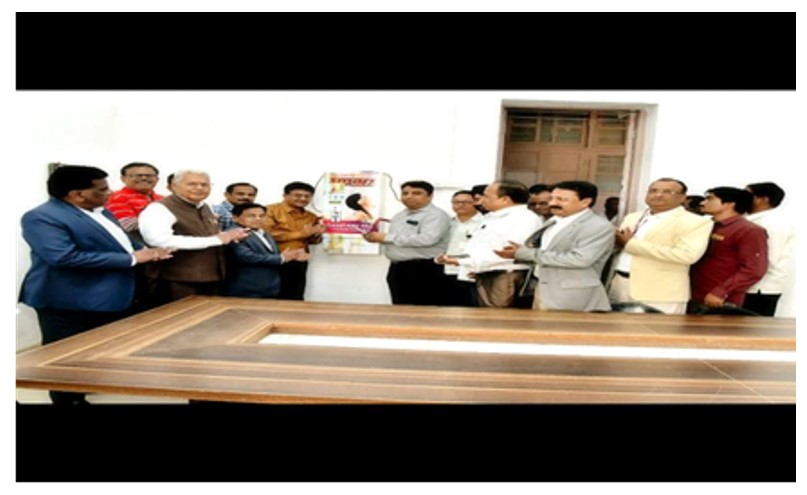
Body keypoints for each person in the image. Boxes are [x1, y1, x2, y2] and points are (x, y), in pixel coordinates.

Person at [19, 165, 173, 404]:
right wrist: (132, 258)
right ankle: (69, 400)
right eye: (102, 189)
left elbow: (120, 241)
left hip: (109, 297)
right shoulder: (42, 217)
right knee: (66, 358)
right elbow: (63, 257)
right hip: (69, 301)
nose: (110, 193)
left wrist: (145, 250)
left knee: (98, 352)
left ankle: (92, 385)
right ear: (77, 194)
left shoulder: (101, 211)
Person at [496, 181, 614, 312]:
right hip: (543, 288)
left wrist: (526, 253)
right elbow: (546, 251)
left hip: (571, 295)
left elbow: (580, 259)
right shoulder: (554, 220)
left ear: (585, 202)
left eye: (561, 199)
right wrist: (518, 253)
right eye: (552, 198)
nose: (553, 203)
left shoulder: (597, 226)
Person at [139, 170, 249, 306]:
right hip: (177, 280)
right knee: (179, 322)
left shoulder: (204, 206)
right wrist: (217, 240)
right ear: (174, 186)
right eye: (192, 184)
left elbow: (210, 234)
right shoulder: (159, 208)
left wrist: (231, 236)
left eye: (204, 185)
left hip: (211, 277)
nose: (199, 188)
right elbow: (158, 240)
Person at [607, 178, 712, 314]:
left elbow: (688, 255)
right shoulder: (633, 217)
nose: (658, 195)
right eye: (653, 191)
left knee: (656, 333)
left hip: (659, 292)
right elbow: (620, 245)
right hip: (619, 284)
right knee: (615, 333)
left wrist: (631, 244)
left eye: (667, 192)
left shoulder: (694, 222)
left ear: (682, 197)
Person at [438, 181, 541, 308]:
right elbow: (483, 246)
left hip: (505, 276)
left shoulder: (523, 219)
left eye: (486, 196)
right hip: (487, 272)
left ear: (505, 199)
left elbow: (508, 253)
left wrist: (461, 262)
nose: (480, 201)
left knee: (498, 321)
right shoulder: (493, 217)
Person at [364, 180, 451, 306]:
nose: (409, 196)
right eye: (405, 193)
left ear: (430, 196)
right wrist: (375, 238)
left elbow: (428, 239)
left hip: (424, 270)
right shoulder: (400, 215)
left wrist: (386, 238)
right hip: (398, 269)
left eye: (416, 193)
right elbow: (398, 240)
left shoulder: (436, 215)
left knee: (425, 310)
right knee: (401, 309)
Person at [690, 187, 768, 310]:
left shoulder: (749, 230)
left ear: (729, 204)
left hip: (718, 300)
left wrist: (721, 291)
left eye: (710, 199)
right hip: (693, 293)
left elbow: (754, 269)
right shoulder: (706, 225)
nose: (702, 203)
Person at [224, 203, 308, 298]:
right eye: (251, 216)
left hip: (268, 287)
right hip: (247, 288)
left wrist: (292, 256)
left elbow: (269, 254)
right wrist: (281, 258)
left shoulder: (263, 232)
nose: (258, 219)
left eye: (262, 216)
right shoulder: (234, 233)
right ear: (235, 218)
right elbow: (246, 256)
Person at [263, 181, 325, 300]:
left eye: (307, 196)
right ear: (285, 195)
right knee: (272, 296)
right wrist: (302, 233)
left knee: (295, 296)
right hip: (275, 259)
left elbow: (312, 240)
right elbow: (267, 235)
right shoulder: (269, 210)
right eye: (297, 195)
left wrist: (316, 234)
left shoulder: (311, 216)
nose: (302, 199)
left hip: (299, 260)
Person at [743, 182, 795, 316]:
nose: (742, 198)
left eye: (748, 194)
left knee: (752, 332)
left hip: (760, 289)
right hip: (749, 287)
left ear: (764, 199)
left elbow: (767, 259)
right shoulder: (750, 220)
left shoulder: (772, 223)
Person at [104, 162, 164, 243]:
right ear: (123, 179)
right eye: (138, 176)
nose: (144, 178)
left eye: (149, 175)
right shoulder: (117, 198)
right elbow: (127, 225)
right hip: (136, 248)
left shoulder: (162, 199)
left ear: (157, 179)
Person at [442, 190, 484, 306]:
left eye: (466, 202)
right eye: (456, 202)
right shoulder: (448, 222)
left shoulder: (484, 222)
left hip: (470, 272)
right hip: (447, 270)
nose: (461, 205)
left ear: (475, 203)